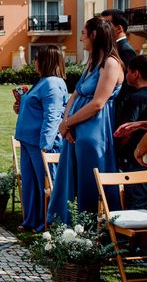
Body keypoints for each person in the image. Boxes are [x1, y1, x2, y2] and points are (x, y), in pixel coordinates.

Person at [47, 18, 125, 225]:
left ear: (94, 35)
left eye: (83, 33)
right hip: (76, 129)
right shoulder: (92, 63)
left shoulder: (111, 63)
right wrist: (65, 125)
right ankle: (69, 225)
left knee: (89, 181)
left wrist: (69, 122)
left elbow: (98, 103)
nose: (81, 38)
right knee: (70, 178)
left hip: (94, 131)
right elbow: (75, 95)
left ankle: (89, 230)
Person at [13, 46, 68, 232]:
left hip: (40, 143)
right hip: (28, 140)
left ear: (46, 61)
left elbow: (52, 116)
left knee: (43, 182)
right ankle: (31, 220)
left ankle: (46, 222)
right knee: (30, 183)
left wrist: (45, 144)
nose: (34, 62)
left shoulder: (52, 83)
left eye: (36, 58)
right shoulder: (42, 82)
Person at [113, 55, 147, 209]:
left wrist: (118, 149)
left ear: (136, 73)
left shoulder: (135, 99)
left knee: (136, 200)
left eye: (128, 72)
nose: (126, 76)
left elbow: (126, 130)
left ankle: (137, 232)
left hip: (134, 157)